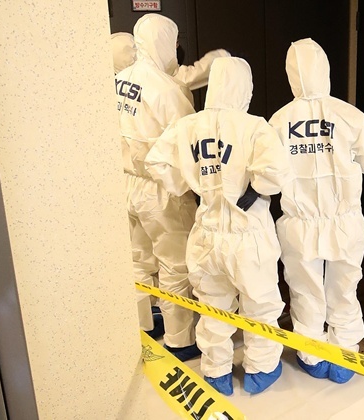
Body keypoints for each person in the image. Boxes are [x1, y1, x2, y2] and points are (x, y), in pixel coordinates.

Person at [146, 57, 292, 396]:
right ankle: (260, 369)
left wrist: (192, 186)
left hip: (206, 233)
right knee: (259, 305)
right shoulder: (254, 127)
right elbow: (275, 174)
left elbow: (157, 162)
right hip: (248, 234)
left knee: (212, 307)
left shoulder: (188, 126)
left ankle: (216, 372)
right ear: (245, 88)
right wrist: (255, 190)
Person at [268, 38, 364, 384]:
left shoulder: (278, 121)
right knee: (344, 286)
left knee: (305, 290)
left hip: (298, 224)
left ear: (291, 75)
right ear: (325, 69)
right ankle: (345, 354)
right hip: (345, 222)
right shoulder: (348, 115)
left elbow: (268, 176)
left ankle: (312, 356)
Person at [115, 13, 200, 360]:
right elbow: (188, 143)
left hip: (124, 183)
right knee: (174, 264)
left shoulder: (117, 80)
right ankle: (180, 341)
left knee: (137, 259)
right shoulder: (167, 90)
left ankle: (143, 327)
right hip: (160, 189)